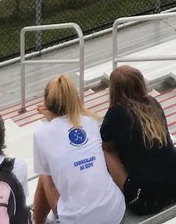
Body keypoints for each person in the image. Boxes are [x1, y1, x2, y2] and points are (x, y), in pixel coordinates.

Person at [31, 73, 125, 224]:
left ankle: (37, 221)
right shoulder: (90, 122)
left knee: (44, 175)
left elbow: (50, 179)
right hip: (114, 210)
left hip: (77, 220)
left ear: (47, 103)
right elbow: (72, 118)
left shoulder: (41, 133)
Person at [100, 66, 176, 216]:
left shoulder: (115, 113)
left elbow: (106, 145)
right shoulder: (153, 103)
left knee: (106, 152)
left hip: (147, 198)